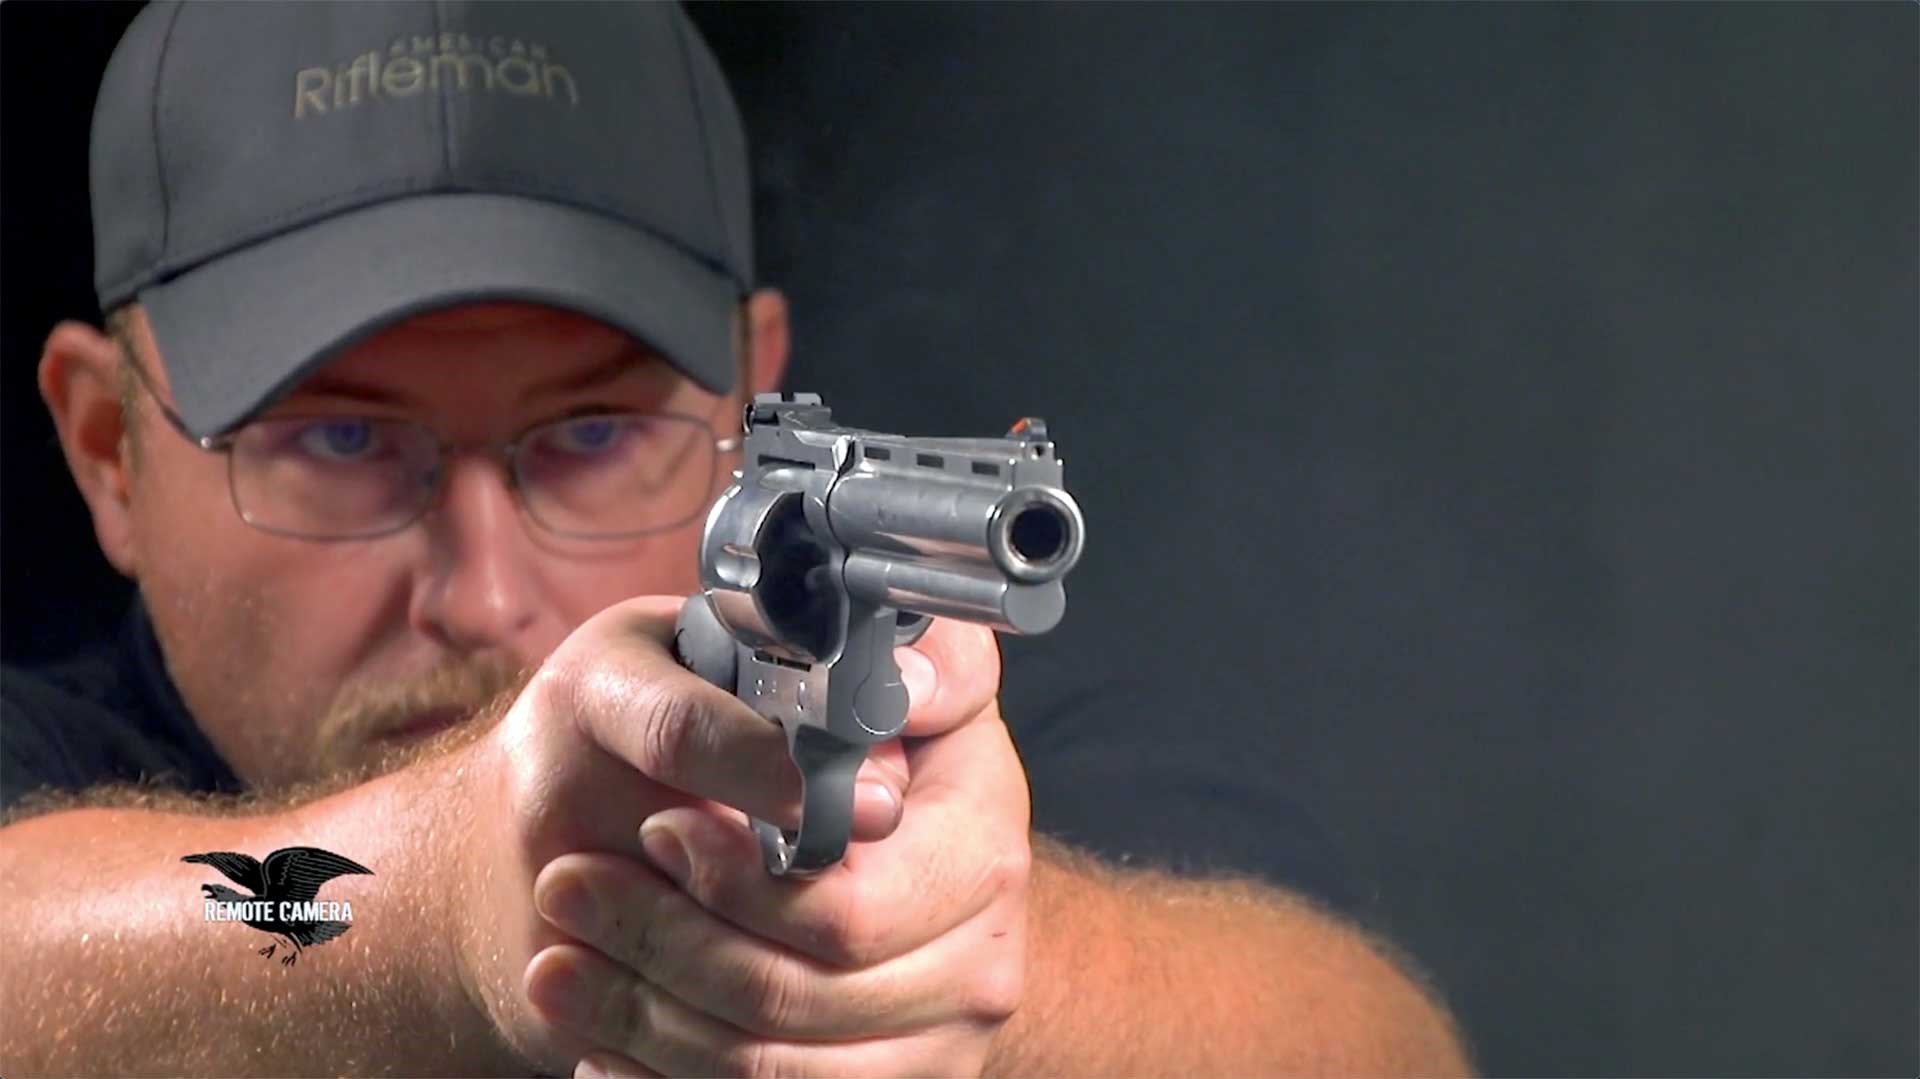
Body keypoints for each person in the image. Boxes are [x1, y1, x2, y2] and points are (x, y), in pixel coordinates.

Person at [0, 3, 1470, 1076]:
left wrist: (961, 965)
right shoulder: (48, 756)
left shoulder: (986, 755)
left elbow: (1372, 1044)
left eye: (591, 438)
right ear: (109, 449)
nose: (487, 591)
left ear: (749, 403)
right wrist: (445, 904)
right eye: (341, 443)